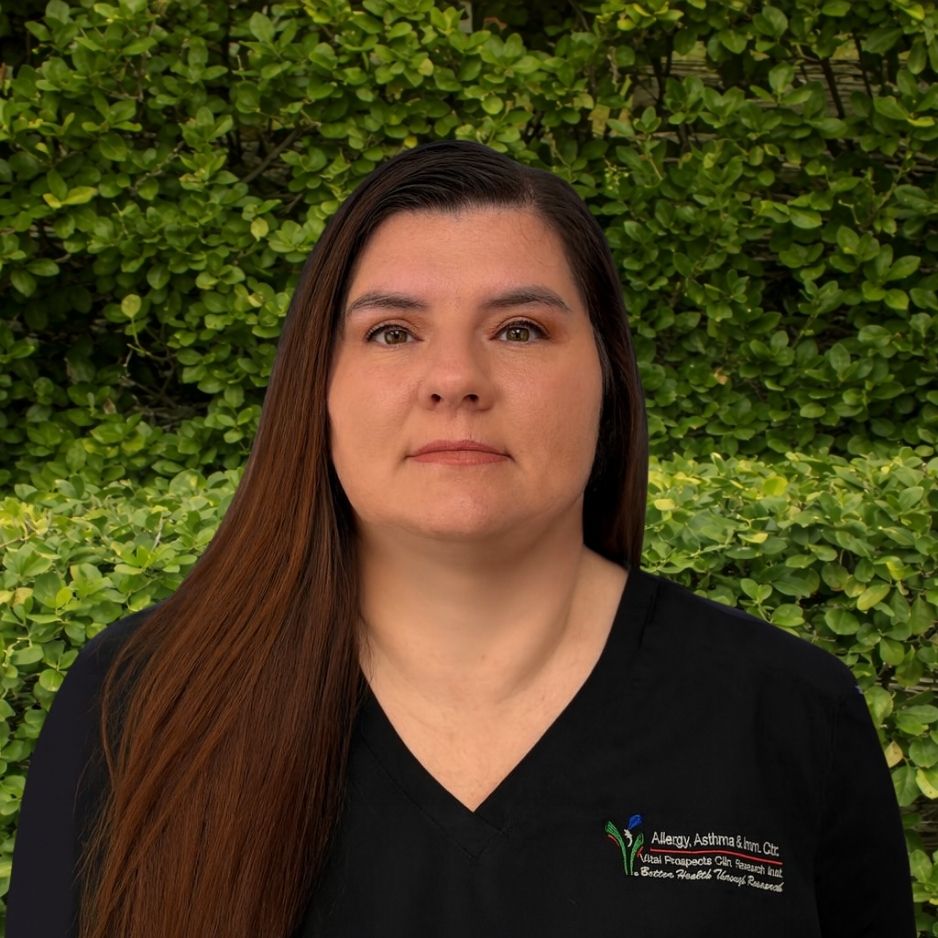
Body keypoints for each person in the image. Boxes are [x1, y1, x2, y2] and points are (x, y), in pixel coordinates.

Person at [7, 140, 915, 938]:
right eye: (393, 332)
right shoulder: (134, 704)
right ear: (315, 388)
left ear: (608, 377)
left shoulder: (789, 713)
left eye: (519, 329)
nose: (455, 379)